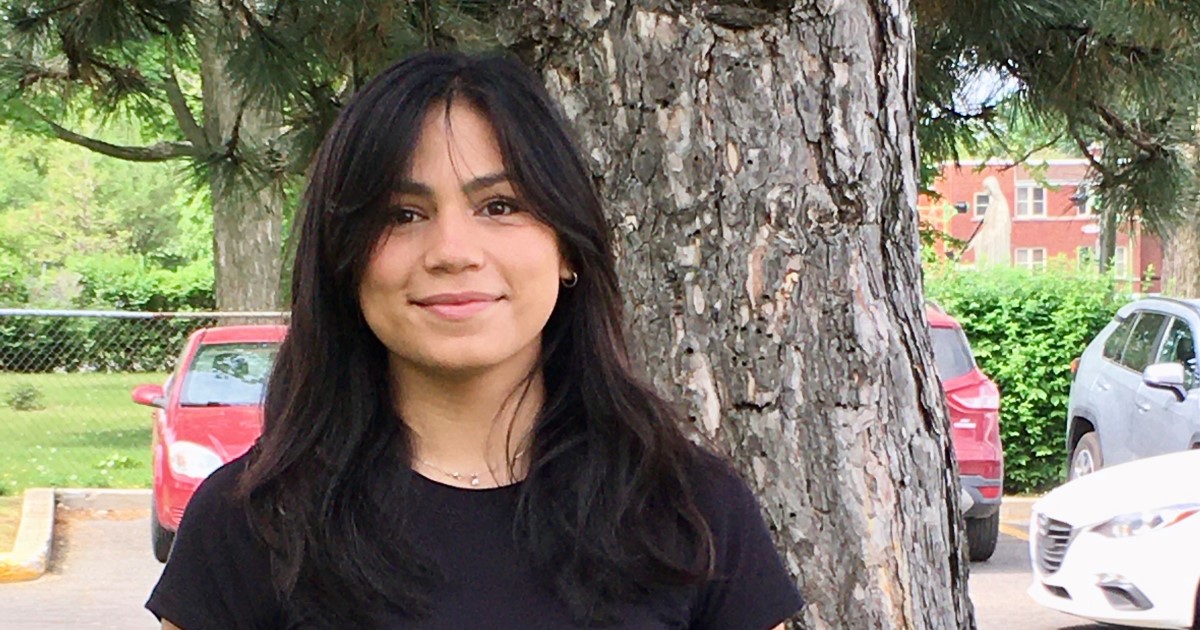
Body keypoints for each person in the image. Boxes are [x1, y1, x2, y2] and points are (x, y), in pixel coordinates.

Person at [146, 50, 804, 629]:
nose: (452, 251)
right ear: (344, 261)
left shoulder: (692, 509)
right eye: (403, 214)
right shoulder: (252, 523)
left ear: (567, 247)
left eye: (500, 205)